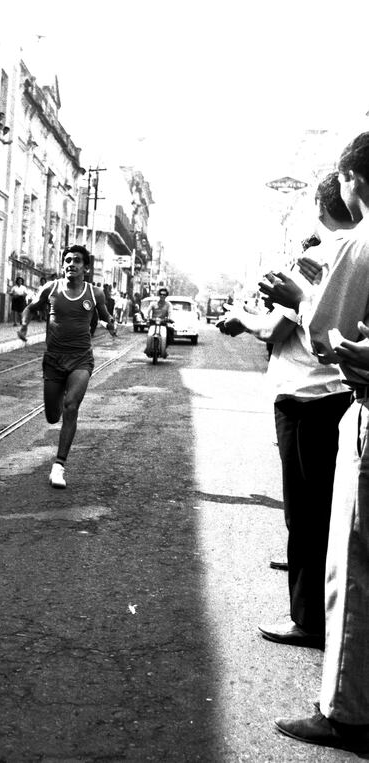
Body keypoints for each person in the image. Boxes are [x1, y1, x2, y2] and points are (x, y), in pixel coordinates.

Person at [219, 171, 355, 649]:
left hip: (305, 400)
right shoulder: (351, 251)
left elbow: (276, 329)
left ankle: (308, 620)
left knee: (306, 514)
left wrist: (240, 318)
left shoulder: (322, 256)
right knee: (322, 512)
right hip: (336, 396)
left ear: (319, 208)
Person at [265, 132, 369, 752]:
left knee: (352, 564)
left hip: (353, 405)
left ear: (353, 179)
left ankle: (345, 711)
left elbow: (327, 329)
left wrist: (297, 297)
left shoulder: (359, 244)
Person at [17, 244, 116, 489]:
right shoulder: (51, 288)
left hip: (81, 359)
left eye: (77, 261)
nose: (71, 264)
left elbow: (104, 315)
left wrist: (111, 324)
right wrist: (24, 325)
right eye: (68, 260)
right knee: (53, 416)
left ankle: (59, 466)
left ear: (86, 267)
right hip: (53, 360)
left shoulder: (95, 293)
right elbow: (30, 308)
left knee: (71, 407)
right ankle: (59, 396)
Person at [146, 288, 172, 358]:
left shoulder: (168, 304)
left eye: (164, 294)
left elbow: (170, 312)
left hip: (163, 323)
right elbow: (148, 311)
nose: (162, 296)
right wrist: (147, 318)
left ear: (166, 296)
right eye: (161, 294)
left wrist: (169, 318)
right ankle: (148, 347)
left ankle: (164, 349)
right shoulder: (153, 304)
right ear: (159, 295)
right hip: (153, 323)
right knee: (150, 334)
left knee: (167, 335)